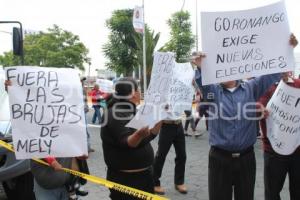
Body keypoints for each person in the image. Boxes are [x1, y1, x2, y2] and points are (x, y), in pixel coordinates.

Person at [193, 34, 298, 200]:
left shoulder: (251, 87)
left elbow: (273, 73)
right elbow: (202, 83)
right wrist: (200, 67)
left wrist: (288, 48)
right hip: (219, 159)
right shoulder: (213, 91)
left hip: (246, 159)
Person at [101, 77, 162, 200]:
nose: (140, 93)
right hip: (126, 180)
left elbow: (146, 137)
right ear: (133, 93)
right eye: (138, 89)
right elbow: (127, 142)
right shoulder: (114, 113)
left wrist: (161, 117)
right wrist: (138, 135)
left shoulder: (132, 111)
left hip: (145, 177)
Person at [258, 71, 300, 200]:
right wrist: (259, 110)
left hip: (297, 151)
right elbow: (256, 107)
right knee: (272, 193)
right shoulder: (264, 87)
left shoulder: (298, 85)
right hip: (273, 152)